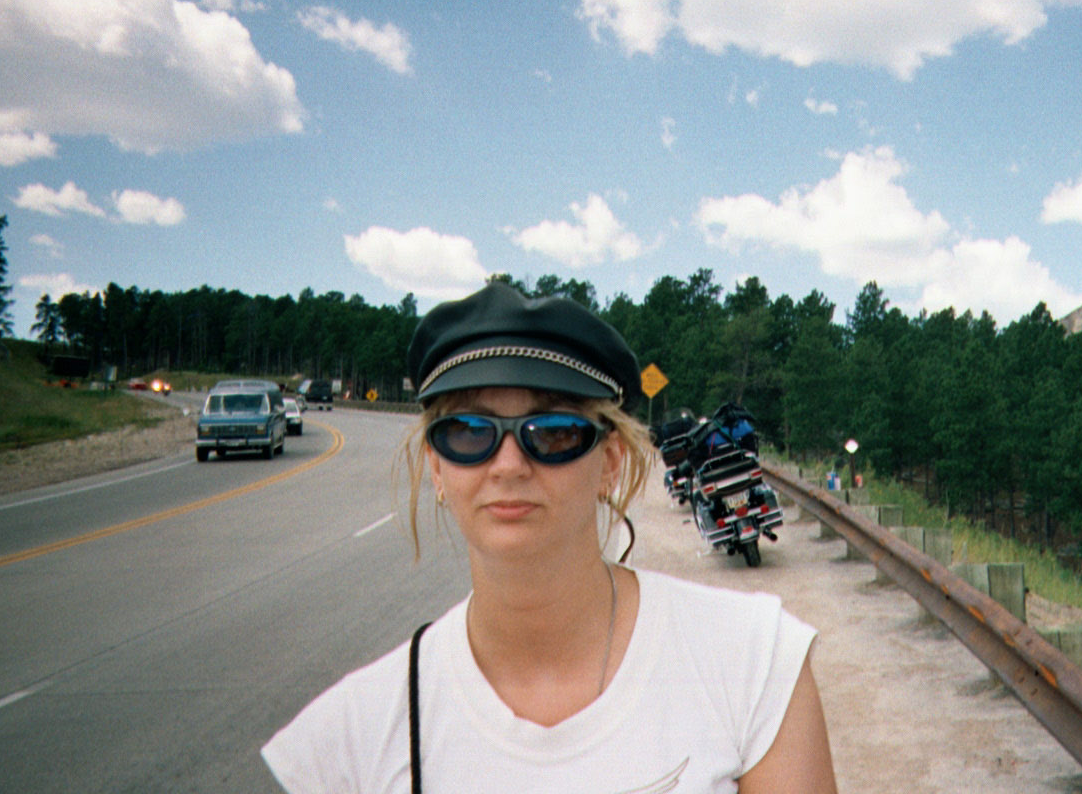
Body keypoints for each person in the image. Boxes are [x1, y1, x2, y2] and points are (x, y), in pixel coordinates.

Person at [261, 282, 836, 793]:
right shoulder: (349, 741)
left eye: (553, 432)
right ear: (437, 467)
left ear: (610, 462)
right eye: (469, 432)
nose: (508, 465)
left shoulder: (753, 664)